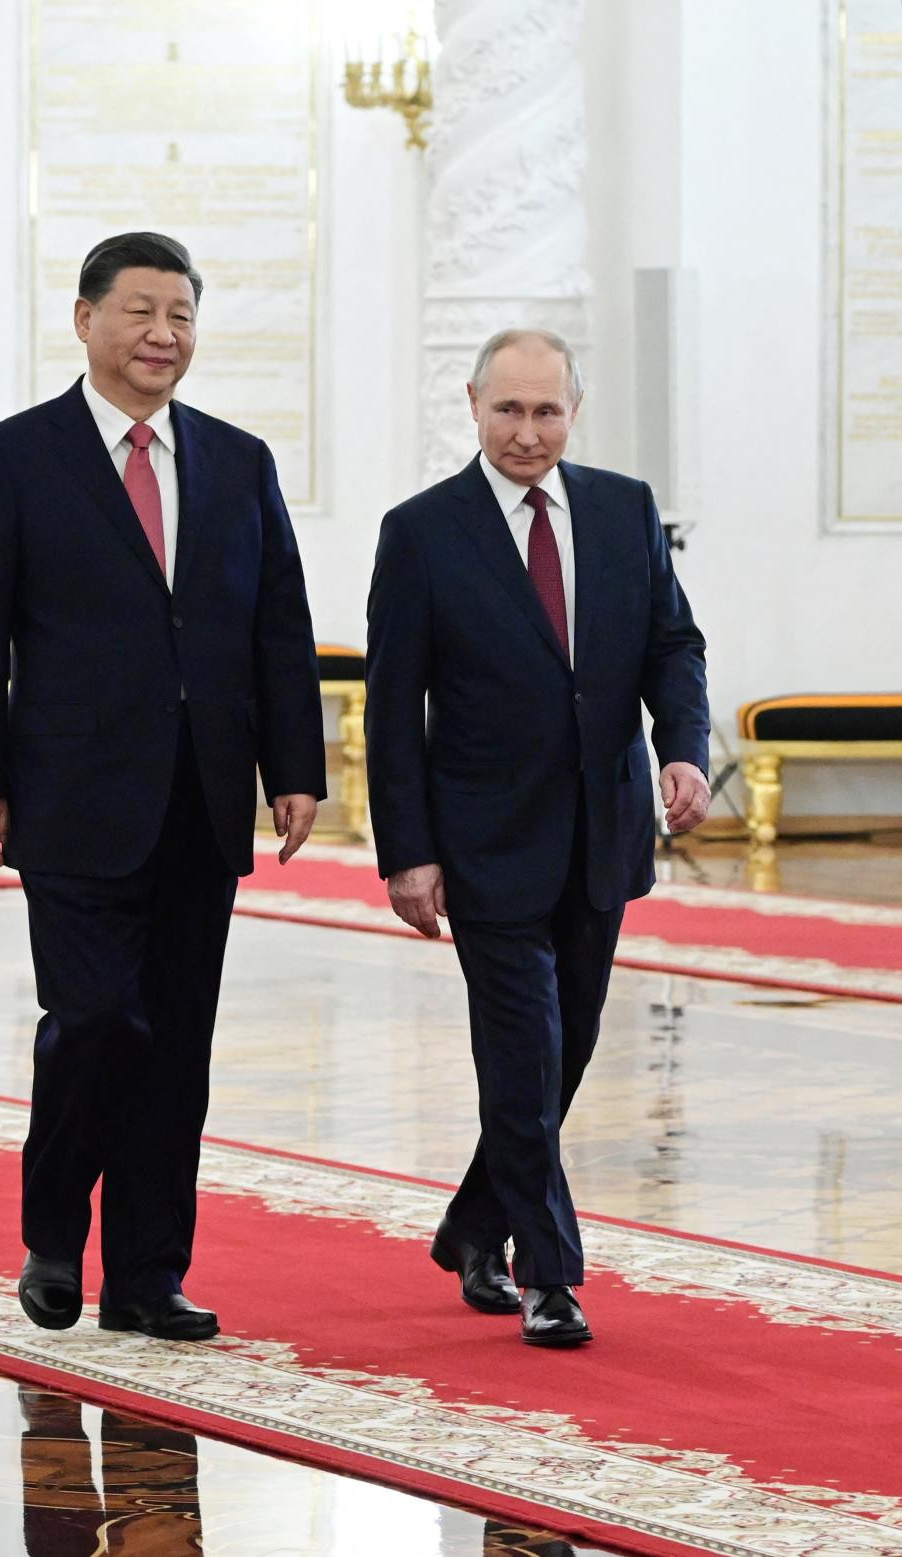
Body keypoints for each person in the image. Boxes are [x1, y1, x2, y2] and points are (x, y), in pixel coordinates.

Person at [0, 231, 325, 1341]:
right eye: (142, 313)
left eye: (183, 318)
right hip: (68, 798)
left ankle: (150, 1274)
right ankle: (55, 1231)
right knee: (97, 1017)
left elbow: (277, 626)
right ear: (85, 320)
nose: (164, 336)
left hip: (202, 799)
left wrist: (293, 768)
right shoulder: (15, 457)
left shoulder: (239, 462)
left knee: (177, 1043)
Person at [365, 329, 709, 1346]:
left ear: (575, 407)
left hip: (603, 832)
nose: (526, 432)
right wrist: (407, 851)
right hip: (482, 841)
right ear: (473, 405)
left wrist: (680, 749)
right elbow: (393, 709)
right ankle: (547, 1273)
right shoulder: (422, 532)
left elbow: (670, 641)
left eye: (546, 411)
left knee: (569, 1050)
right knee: (523, 1051)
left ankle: (475, 1222)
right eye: (507, 411)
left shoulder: (623, 509)